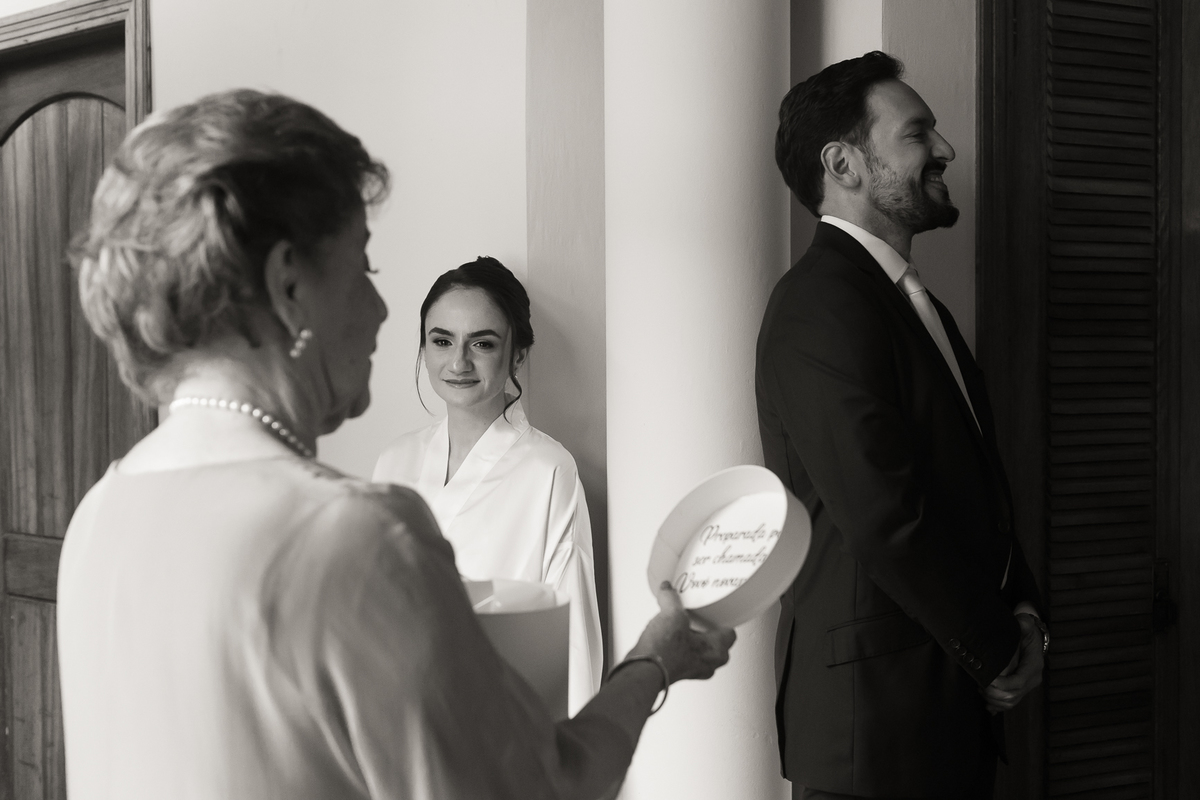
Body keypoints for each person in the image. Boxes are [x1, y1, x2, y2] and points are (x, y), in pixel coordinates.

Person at [58, 88, 735, 800]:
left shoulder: (99, 516)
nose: (382, 310)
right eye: (364, 268)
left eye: (481, 342)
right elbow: (538, 789)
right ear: (290, 286)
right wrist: (653, 662)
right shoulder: (356, 534)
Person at [757, 52, 1047, 799]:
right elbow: (883, 514)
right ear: (843, 164)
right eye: (918, 133)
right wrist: (998, 649)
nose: (945, 148)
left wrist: (1024, 611)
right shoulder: (819, 303)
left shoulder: (920, 306)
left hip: (940, 713)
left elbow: (975, 487)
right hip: (874, 734)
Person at [373, 257, 603, 716]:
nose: (458, 361)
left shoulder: (547, 470)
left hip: (502, 720)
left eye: (482, 343)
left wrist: (574, 750)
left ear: (517, 354)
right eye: (442, 341)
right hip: (398, 713)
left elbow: (573, 636)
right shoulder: (395, 461)